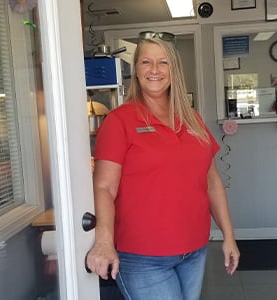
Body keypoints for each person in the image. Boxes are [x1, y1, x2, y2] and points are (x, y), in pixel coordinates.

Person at [86, 31, 240, 300]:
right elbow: (104, 186)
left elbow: (212, 181)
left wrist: (229, 236)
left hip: (194, 250)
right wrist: (104, 242)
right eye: (146, 62)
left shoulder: (193, 119)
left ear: (174, 69)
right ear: (136, 70)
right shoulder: (119, 121)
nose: (154, 70)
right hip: (142, 256)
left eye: (163, 62)